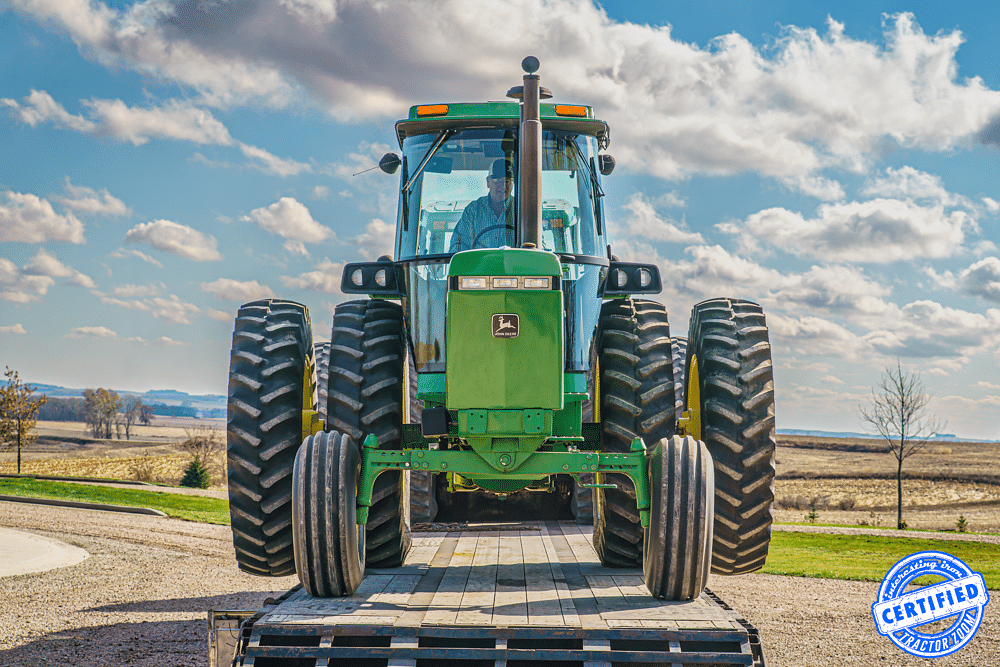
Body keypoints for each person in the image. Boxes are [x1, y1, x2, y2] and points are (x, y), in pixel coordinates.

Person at [448, 158, 515, 252]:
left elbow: (537, 246)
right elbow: (458, 246)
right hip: (478, 266)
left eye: (508, 181)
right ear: (488, 182)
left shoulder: (522, 211)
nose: (504, 185)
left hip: (515, 266)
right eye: (499, 180)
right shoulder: (473, 211)